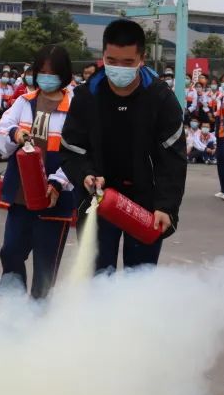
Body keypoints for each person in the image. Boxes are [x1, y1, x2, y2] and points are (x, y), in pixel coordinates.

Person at [60, 20, 186, 272]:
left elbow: (172, 159)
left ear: (142, 58)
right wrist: (85, 174)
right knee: (96, 276)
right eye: (112, 60)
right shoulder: (87, 96)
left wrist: (166, 206)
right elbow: (71, 149)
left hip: (144, 201)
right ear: (103, 55)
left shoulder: (161, 99)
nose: (119, 68)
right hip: (97, 198)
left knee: (139, 278)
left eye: (128, 62)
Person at [0, 44, 75, 300]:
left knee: (45, 266)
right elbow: (1, 131)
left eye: (51, 73)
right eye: (41, 71)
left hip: (55, 197)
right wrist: (14, 133)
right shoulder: (23, 101)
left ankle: (38, 319)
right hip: (21, 196)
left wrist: (58, 182)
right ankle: (11, 309)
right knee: (10, 253)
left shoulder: (76, 107)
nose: (45, 77)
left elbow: (80, 154)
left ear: (64, 75)